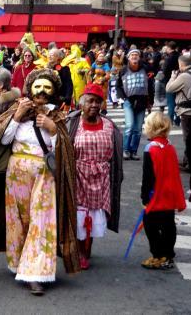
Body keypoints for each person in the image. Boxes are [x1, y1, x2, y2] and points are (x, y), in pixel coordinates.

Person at [0, 68, 80, 296]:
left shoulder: (57, 115)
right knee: (17, 220)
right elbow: (1, 139)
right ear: (30, 89)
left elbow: (67, 149)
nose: (41, 92)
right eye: (37, 87)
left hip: (44, 173)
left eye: (46, 87)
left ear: (54, 91)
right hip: (16, 173)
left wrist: (53, 130)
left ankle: (36, 273)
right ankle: (19, 261)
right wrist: (17, 117)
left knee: (42, 219)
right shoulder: (17, 109)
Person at [67, 84, 123, 270]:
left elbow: (115, 155)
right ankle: (78, 250)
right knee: (79, 214)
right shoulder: (72, 123)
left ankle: (87, 248)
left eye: (98, 101)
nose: (94, 105)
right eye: (90, 101)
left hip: (101, 178)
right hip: (78, 175)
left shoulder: (109, 126)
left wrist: (117, 175)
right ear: (81, 104)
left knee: (94, 215)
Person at [140, 112, 186, 270]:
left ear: (151, 129)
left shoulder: (150, 149)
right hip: (169, 194)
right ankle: (168, 254)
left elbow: (148, 177)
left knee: (150, 224)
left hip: (156, 195)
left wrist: (144, 197)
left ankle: (158, 254)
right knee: (168, 225)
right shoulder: (170, 147)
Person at [116, 49, 153, 161]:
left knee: (138, 129)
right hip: (128, 101)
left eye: (136, 54)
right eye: (132, 54)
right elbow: (118, 85)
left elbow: (150, 85)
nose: (134, 56)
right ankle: (126, 150)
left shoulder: (146, 69)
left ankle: (134, 151)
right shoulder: (123, 70)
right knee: (129, 126)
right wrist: (122, 97)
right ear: (128, 57)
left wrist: (150, 102)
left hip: (142, 102)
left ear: (139, 57)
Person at [165, 55, 191, 169]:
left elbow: (169, 89)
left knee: (188, 138)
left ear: (181, 64)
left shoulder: (184, 76)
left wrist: (173, 77)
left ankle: (190, 163)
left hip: (186, 111)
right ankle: (186, 160)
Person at [162, 41, 180, 124]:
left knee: (171, 102)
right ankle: (178, 119)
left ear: (169, 48)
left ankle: (170, 120)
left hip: (170, 81)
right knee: (178, 101)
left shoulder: (168, 58)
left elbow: (164, 70)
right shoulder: (179, 56)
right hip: (180, 80)